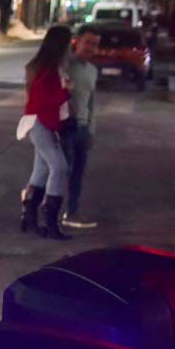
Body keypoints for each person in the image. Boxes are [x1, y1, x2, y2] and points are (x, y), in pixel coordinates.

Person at [19, 25, 74, 240]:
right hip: (40, 121)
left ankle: (30, 219)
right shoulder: (48, 69)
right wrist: (66, 91)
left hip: (41, 122)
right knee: (59, 166)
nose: (70, 46)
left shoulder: (45, 65)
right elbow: (41, 98)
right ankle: (50, 222)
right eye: (68, 42)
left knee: (41, 170)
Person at [62, 25, 101, 228]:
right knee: (61, 171)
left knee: (78, 173)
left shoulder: (92, 71)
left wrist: (91, 130)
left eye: (94, 45)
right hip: (65, 127)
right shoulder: (65, 66)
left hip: (83, 129)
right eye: (88, 43)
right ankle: (50, 211)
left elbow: (92, 102)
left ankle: (72, 212)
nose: (91, 48)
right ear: (77, 41)